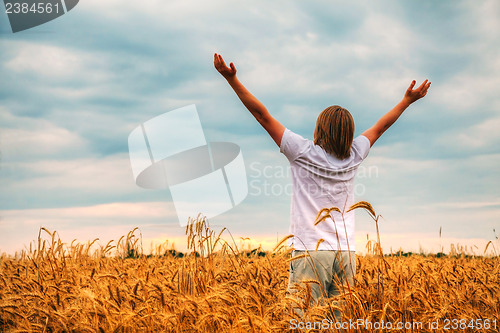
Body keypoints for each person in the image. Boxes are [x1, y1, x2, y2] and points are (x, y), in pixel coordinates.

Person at [214, 53, 431, 315]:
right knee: (339, 324)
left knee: (302, 322)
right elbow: (380, 127)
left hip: (310, 253)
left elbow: (262, 116)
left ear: (319, 129)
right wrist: (407, 101)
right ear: (349, 133)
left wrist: (232, 79)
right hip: (346, 253)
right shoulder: (356, 153)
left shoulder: (303, 151)